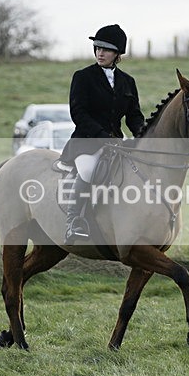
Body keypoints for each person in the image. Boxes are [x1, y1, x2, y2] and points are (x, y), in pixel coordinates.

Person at [60, 24, 145, 244]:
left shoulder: (128, 82)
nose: (100, 52)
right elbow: (78, 113)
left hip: (117, 143)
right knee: (88, 171)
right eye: (97, 48)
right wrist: (102, 136)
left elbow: (133, 116)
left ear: (117, 54)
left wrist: (144, 136)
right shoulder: (83, 77)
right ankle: (73, 222)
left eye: (106, 49)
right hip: (87, 142)